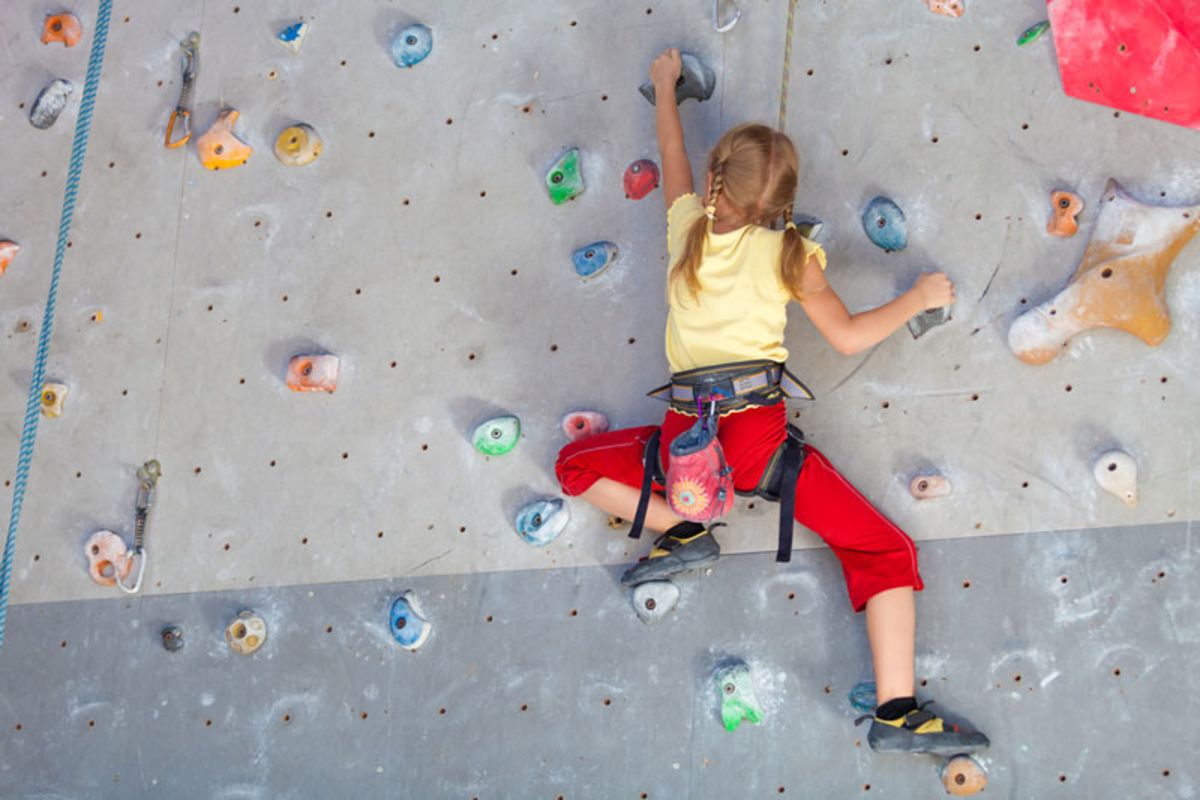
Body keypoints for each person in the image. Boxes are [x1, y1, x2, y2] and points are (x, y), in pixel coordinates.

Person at [554, 48, 988, 755]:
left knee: (574, 465)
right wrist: (916, 297)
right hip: (758, 450)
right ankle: (897, 711)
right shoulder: (792, 256)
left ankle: (685, 526)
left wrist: (667, 86)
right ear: (782, 206)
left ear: (716, 184)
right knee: (881, 547)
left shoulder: (684, 228)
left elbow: (672, 150)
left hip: (683, 447)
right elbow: (847, 338)